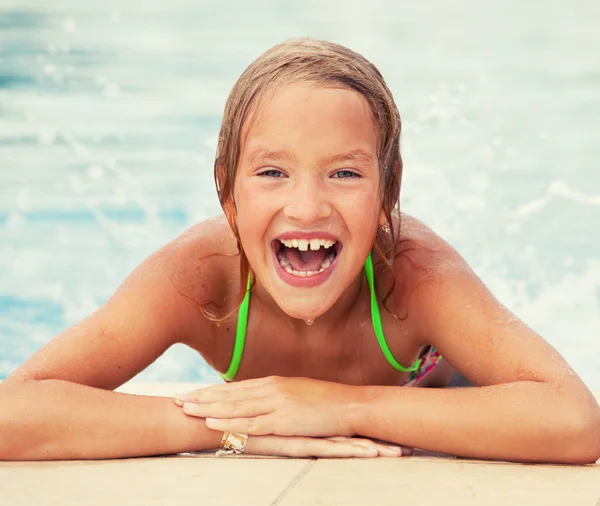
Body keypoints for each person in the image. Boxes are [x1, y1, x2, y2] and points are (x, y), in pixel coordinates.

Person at [1, 38, 598, 464]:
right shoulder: (199, 280)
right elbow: (13, 412)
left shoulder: (412, 276)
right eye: (271, 172)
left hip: (451, 396)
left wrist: (339, 408)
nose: (307, 207)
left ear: (388, 192)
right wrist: (228, 429)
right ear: (226, 194)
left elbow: (571, 420)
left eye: (344, 173)